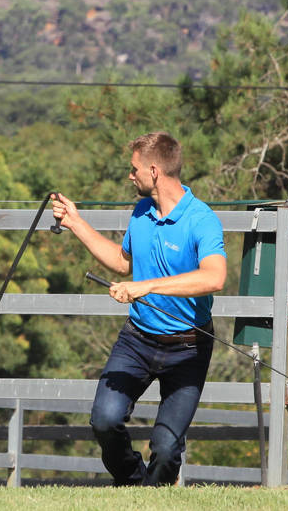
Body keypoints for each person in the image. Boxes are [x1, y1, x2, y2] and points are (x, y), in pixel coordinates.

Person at [51, 131, 227, 486]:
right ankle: (133, 486)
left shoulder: (201, 219)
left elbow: (215, 276)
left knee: (165, 450)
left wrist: (145, 286)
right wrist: (75, 222)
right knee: (104, 419)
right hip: (137, 341)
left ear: (153, 170)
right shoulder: (142, 211)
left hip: (189, 347)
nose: (130, 176)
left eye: (134, 170)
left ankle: (152, 495)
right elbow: (121, 262)